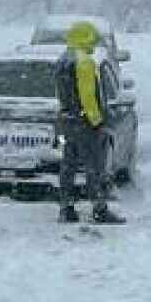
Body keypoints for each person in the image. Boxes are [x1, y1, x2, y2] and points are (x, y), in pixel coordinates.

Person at [54, 21, 124, 225]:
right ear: (85, 38)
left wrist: (67, 112)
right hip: (85, 121)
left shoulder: (63, 59)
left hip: (68, 119)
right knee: (95, 166)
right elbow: (87, 94)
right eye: (93, 39)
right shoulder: (84, 61)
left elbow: (61, 93)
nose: (94, 43)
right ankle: (99, 208)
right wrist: (96, 120)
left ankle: (66, 207)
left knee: (69, 166)